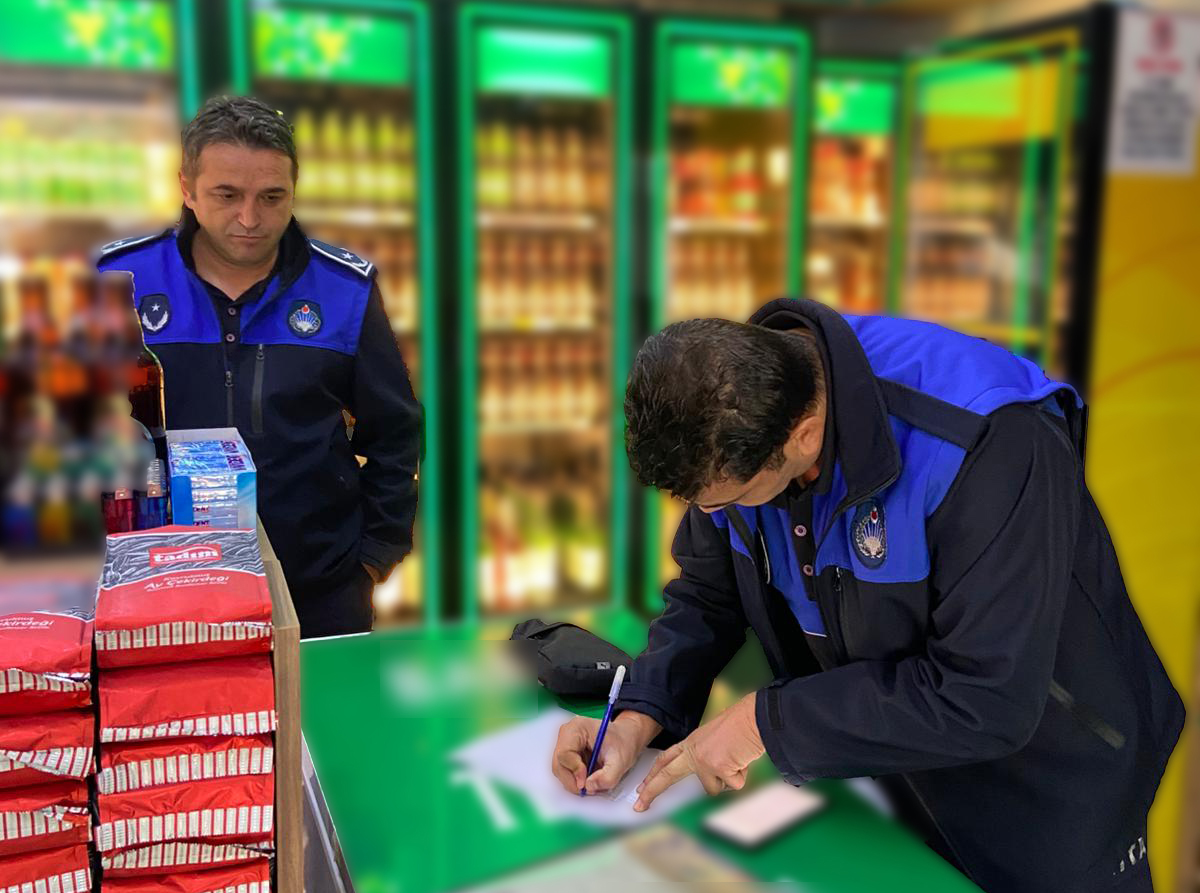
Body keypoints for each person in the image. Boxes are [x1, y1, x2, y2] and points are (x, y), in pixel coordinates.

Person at [553, 297, 1184, 892]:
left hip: (1047, 781)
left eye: (722, 500)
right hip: (884, 769)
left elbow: (987, 696)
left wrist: (765, 722)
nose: (709, 514)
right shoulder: (734, 417)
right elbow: (708, 594)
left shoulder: (987, 440)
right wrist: (642, 710)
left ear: (802, 437)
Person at [96, 96, 420, 638]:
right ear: (186, 188)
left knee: (321, 725)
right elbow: (68, 430)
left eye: (273, 197)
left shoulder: (344, 290)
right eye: (227, 195)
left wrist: (373, 556)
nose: (250, 219)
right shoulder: (118, 279)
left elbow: (395, 432)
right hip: (155, 590)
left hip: (317, 593)